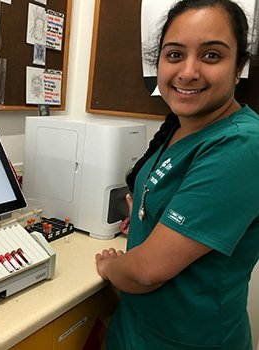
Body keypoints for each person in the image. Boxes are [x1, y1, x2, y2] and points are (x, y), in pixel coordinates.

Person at [95, 0, 259, 349]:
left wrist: (110, 267)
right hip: (137, 329)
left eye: (211, 55)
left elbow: (146, 271)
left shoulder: (243, 146)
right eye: (174, 55)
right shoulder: (181, 126)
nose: (187, 72)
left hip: (187, 340)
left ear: (238, 66)